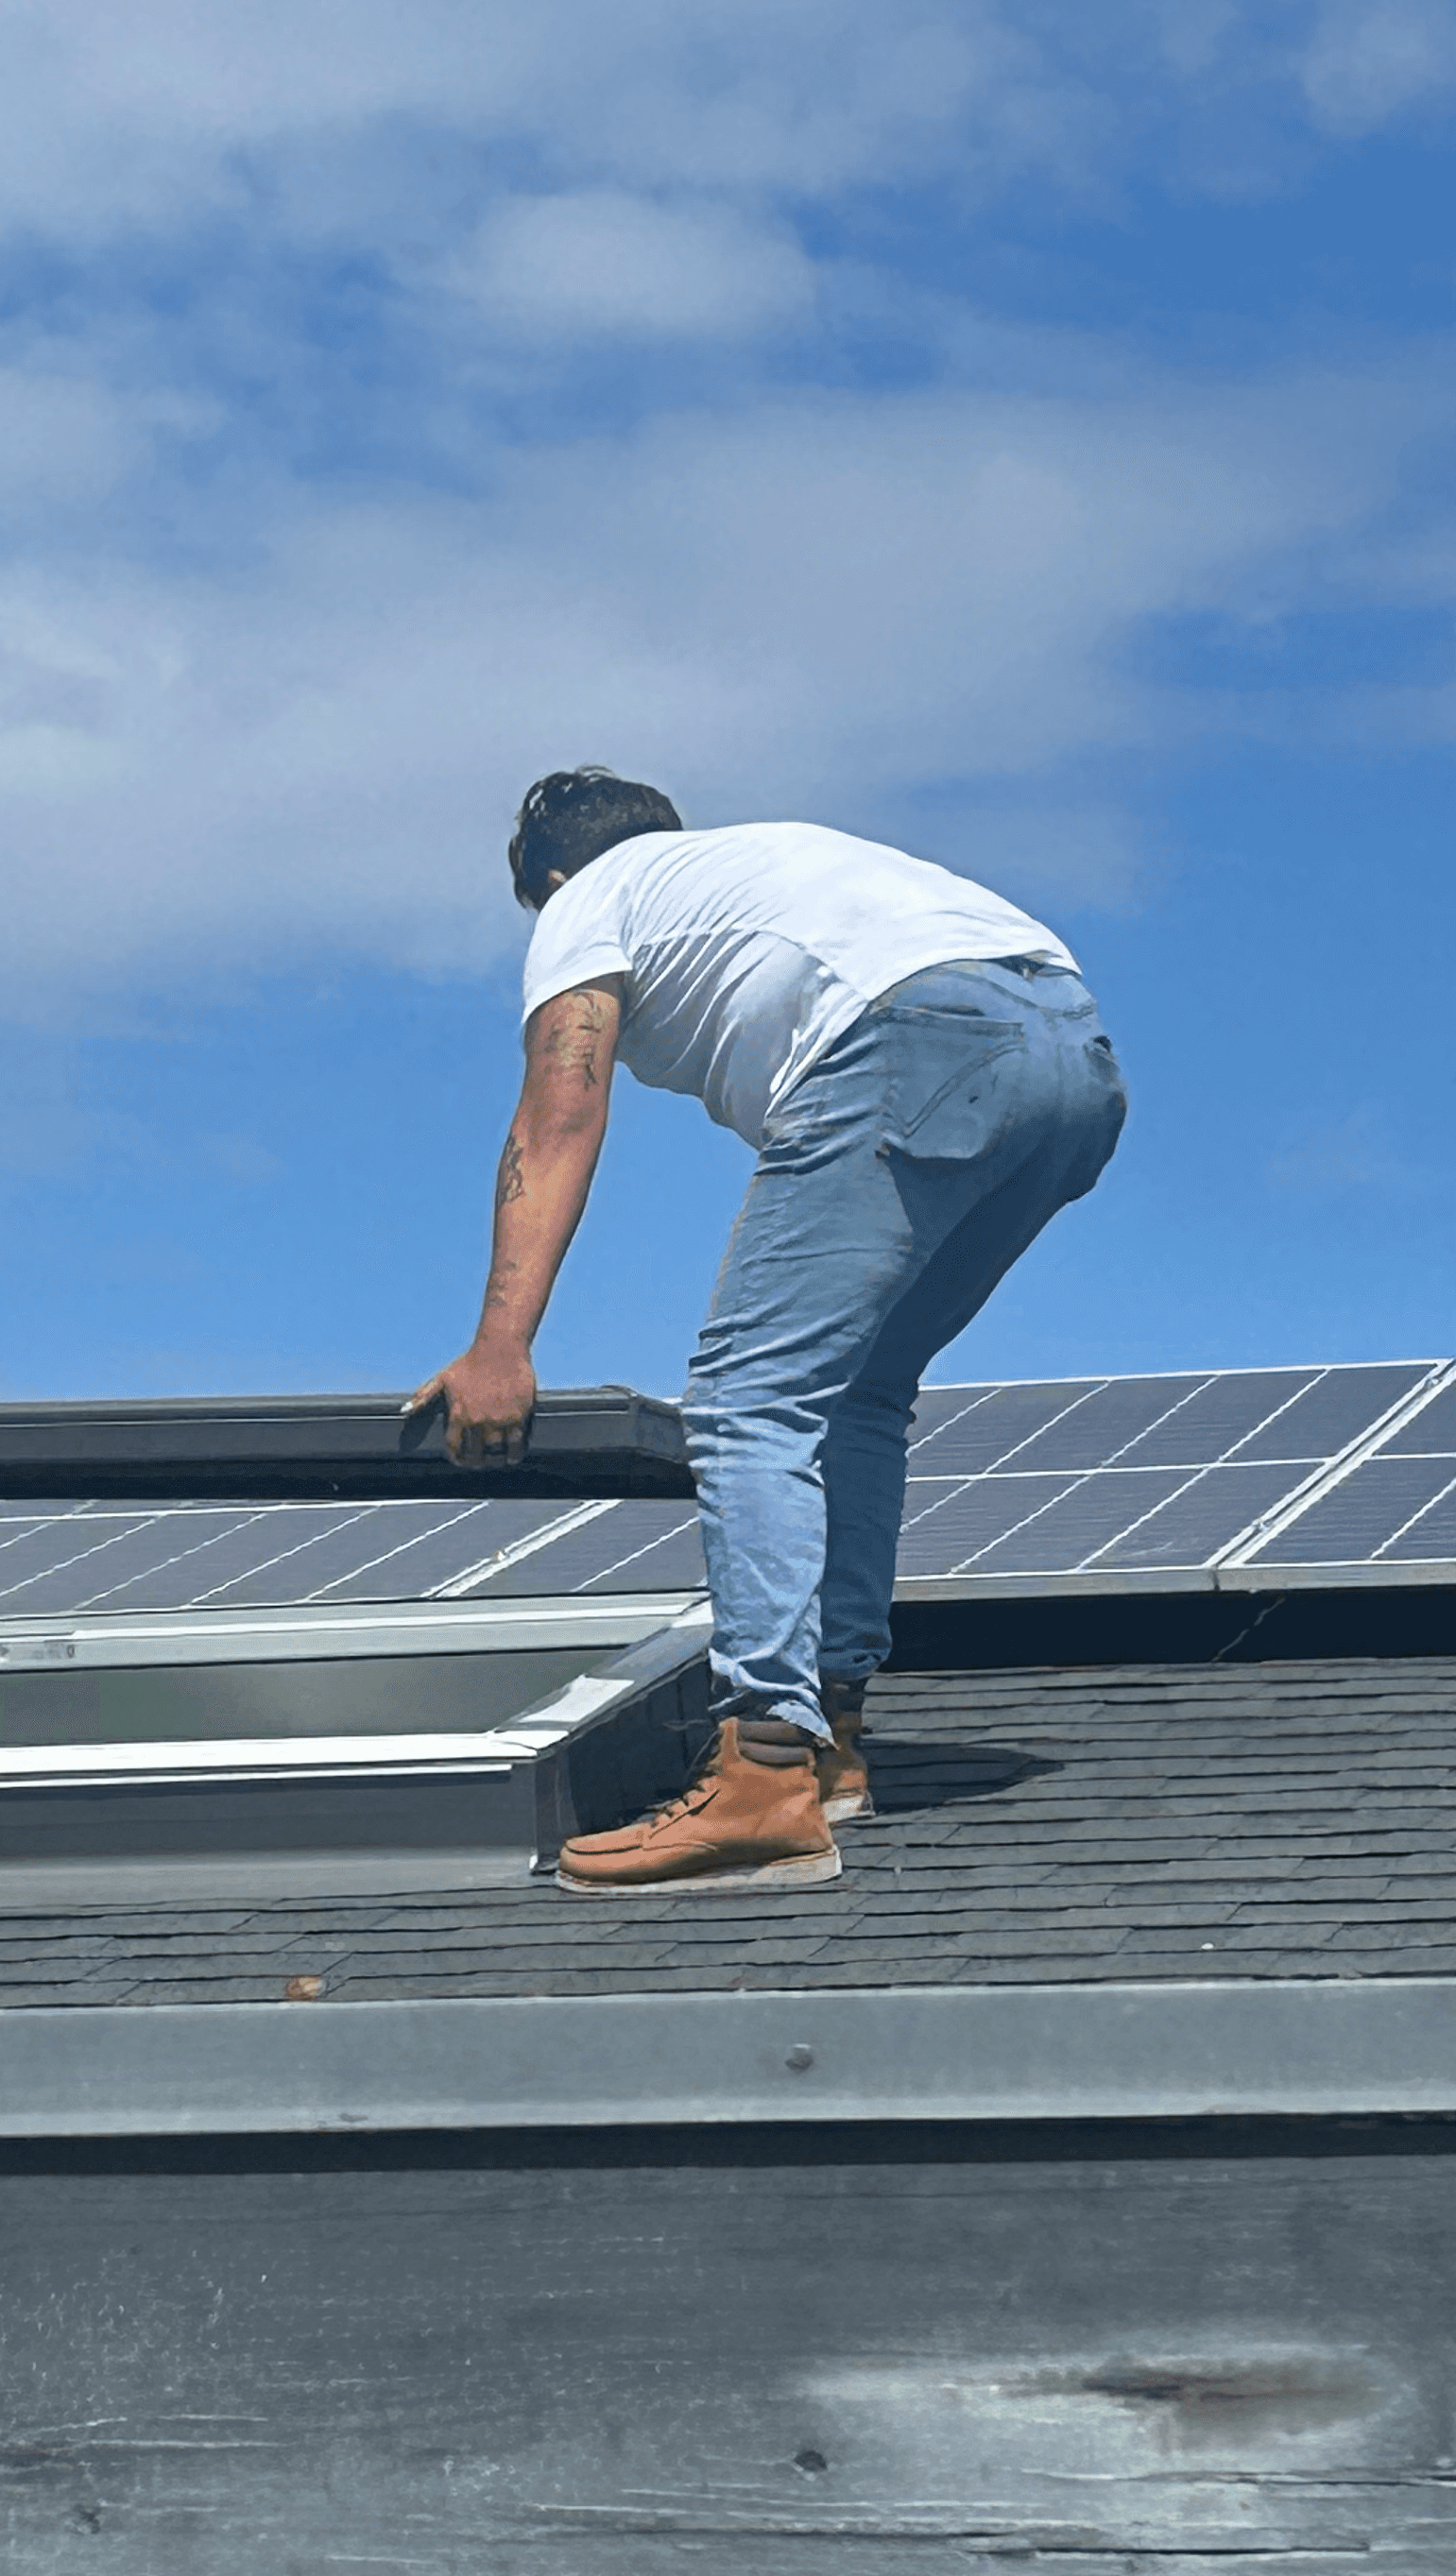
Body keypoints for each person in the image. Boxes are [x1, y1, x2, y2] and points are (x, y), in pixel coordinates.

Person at [413, 772, 1124, 1894]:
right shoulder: (759, 871)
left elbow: (559, 1113)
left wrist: (501, 1344)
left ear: (549, 878)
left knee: (749, 1396)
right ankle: (834, 1738)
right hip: (1072, 1058)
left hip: (910, 1036)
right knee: (861, 1391)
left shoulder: (589, 898)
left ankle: (764, 1774)